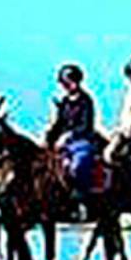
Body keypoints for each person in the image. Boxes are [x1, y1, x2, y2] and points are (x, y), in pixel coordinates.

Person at [45, 63, 100, 221]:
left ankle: (82, 200)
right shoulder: (64, 102)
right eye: (64, 82)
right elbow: (59, 123)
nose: (67, 85)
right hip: (63, 143)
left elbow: (86, 125)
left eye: (69, 81)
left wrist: (69, 136)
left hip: (82, 141)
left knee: (77, 165)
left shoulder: (86, 101)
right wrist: (49, 135)